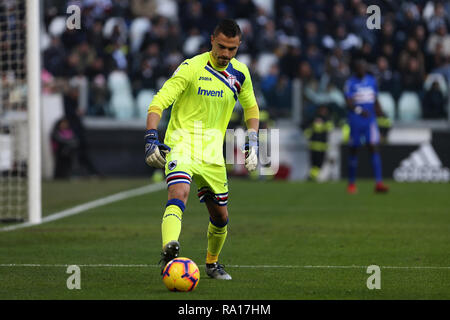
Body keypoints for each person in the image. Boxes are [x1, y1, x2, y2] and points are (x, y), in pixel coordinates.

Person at [144, 19, 259, 280]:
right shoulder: (191, 67)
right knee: (179, 192)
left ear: (238, 46)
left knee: (220, 217)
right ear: (211, 40)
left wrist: (253, 139)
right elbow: (158, 101)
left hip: (212, 154)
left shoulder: (240, 73)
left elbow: (251, 107)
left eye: (232, 49)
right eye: (221, 47)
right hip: (182, 143)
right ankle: (169, 252)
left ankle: (212, 263)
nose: (225, 54)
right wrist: (151, 136)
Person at [344, 59, 389, 194]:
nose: (362, 70)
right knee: (354, 149)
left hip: (370, 121)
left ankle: (379, 183)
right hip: (356, 120)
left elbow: (375, 99)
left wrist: (380, 111)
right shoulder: (350, 83)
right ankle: (351, 184)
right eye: (359, 67)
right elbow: (348, 102)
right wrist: (359, 111)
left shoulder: (371, 80)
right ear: (356, 69)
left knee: (373, 147)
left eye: (364, 67)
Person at [302, 105, 334, 182]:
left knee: (318, 164)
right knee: (316, 163)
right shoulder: (316, 118)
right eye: (322, 110)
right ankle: (311, 177)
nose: (324, 111)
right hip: (315, 145)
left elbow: (330, 128)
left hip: (322, 145)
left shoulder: (326, 119)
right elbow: (303, 125)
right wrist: (308, 133)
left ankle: (311, 176)